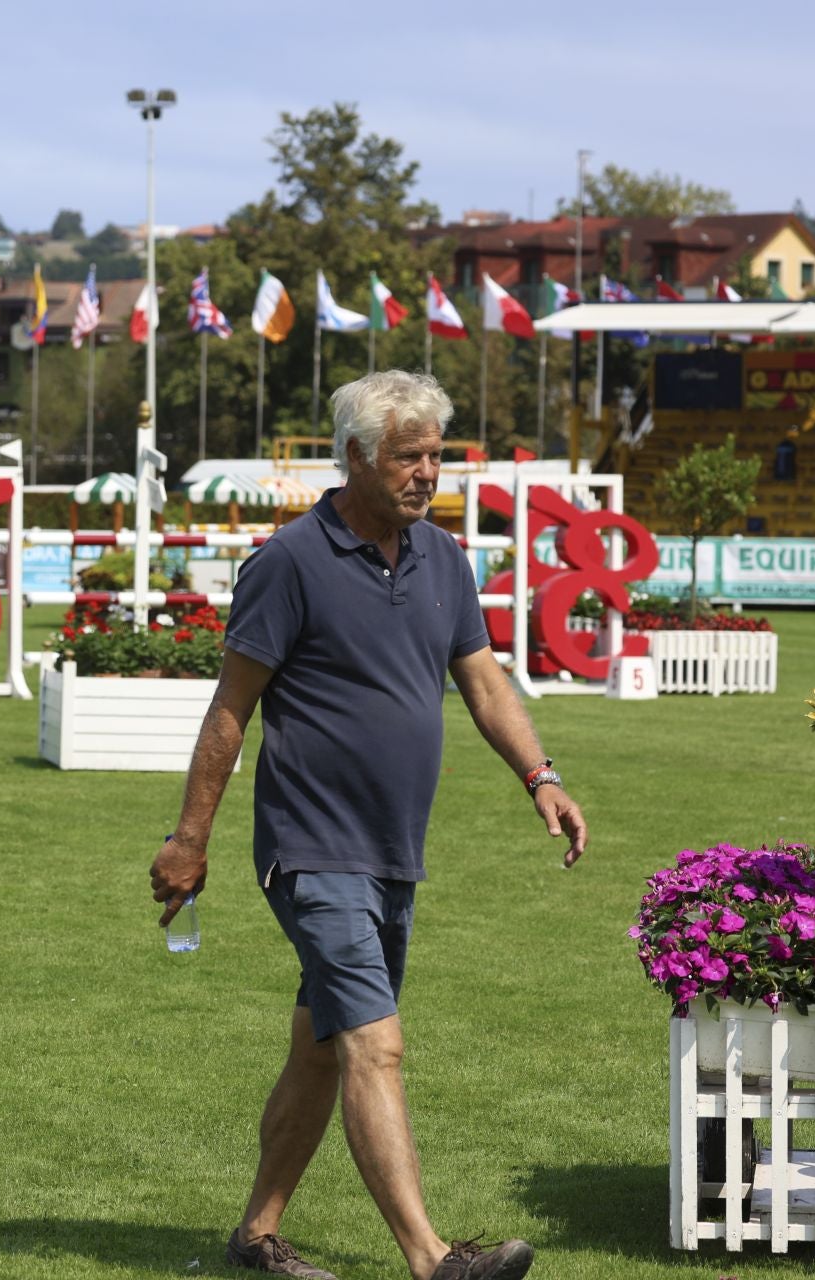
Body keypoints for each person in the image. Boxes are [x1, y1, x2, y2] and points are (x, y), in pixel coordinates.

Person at [148, 371, 586, 1280]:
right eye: (408, 457)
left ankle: (255, 1235)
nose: (427, 474)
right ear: (354, 457)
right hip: (312, 849)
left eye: (436, 457)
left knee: (321, 1045)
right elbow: (230, 711)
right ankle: (432, 1260)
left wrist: (539, 774)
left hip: (394, 852)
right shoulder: (290, 562)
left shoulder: (444, 558)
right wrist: (190, 839)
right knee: (373, 1045)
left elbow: (482, 679)